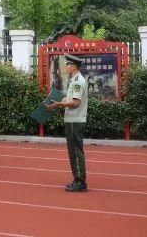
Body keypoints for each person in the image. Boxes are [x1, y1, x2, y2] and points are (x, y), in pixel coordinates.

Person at [47, 54, 89, 192]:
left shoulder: (77, 81)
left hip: (74, 120)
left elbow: (75, 103)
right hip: (73, 120)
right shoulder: (74, 80)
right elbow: (70, 98)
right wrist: (59, 100)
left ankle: (80, 182)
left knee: (75, 152)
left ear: (74, 66)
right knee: (74, 151)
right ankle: (78, 178)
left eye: (68, 65)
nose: (66, 67)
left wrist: (59, 104)